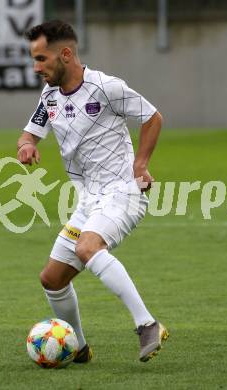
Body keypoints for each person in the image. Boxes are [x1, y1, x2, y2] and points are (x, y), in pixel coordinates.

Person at [17, 20, 168, 363]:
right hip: (88, 201)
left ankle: (147, 324)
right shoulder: (50, 94)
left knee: (88, 246)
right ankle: (79, 348)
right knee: (52, 279)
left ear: (66, 54)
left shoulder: (106, 87)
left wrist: (141, 164)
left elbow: (152, 117)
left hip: (121, 193)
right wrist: (25, 146)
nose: (36, 67)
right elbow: (29, 133)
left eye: (41, 59)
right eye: (34, 59)